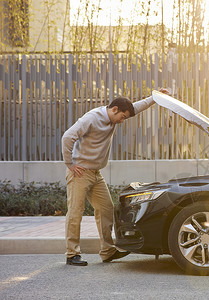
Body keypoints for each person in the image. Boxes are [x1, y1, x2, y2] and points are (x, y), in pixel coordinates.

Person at [61, 89, 168, 266]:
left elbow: (136, 107)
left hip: (96, 173)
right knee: (75, 212)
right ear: (115, 109)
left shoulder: (114, 116)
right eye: (123, 117)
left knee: (106, 209)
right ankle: (72, 254)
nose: (123, 121)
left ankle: (107, 251)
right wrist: (69, 164)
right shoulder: (92, 118)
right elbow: (68, 136)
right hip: (80, 173)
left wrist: (156, 98)